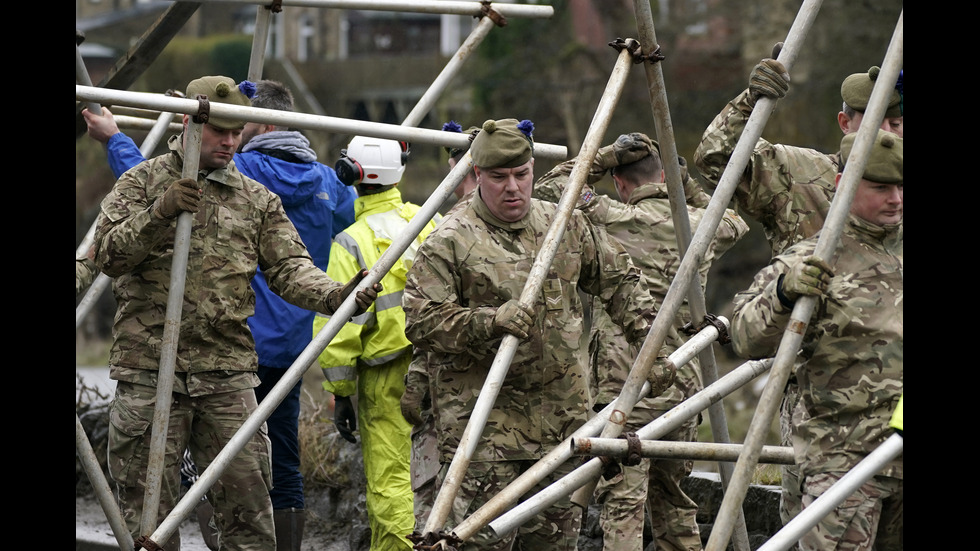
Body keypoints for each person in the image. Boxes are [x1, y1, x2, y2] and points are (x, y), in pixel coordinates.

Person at [92, 75, 379, 550]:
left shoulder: (255, 198)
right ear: (187, 123)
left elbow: (290, 268)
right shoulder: (141, 183)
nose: (229, 142)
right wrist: (158, 213)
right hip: (150, 371)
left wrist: (335, 296)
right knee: (146, 521)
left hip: (226, 374)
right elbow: (107, 255)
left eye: (235, 132)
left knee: (249, 512)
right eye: (218, 131)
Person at [402, 118, 674, 550]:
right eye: (499, 177)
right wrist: (486, 322)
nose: (512, 187)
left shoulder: (563, 222)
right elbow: (420, 319)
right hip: (484, 437)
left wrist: (652, 347)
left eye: (521, 175)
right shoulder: (450, 239)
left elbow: (619, 281)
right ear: (477, 176)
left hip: (560, 431)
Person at [692, 60, 903, 528]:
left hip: (896, 402)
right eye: (874, 121)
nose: (888, 131)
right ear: (845, 122)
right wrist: (751, 103)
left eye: (896, 121)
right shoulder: (800, 173)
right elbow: (716, 161)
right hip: (821, 381)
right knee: (812, 513)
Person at [533, 132, 749, 551]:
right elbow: (735, 222)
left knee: (623, 507)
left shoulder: (608, 217)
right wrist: (682, 184)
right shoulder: (699, 228)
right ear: (664, 177)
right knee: (674, 502)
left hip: (624, 391)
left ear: (619, 183)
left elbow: (550, 190)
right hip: (681, 388)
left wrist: (605, 156)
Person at [729, 128, 902, 551]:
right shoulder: (814, 258)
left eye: (902, 186)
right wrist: (784, 293)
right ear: (845, 184)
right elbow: (744, 335)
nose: (896, 199)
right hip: (845, 462)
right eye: (881, 187)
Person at [314, 135, 441, 550]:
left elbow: (338, 331)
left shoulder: (351, 242)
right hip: (440, 369)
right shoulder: (427, 222)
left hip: (385, 379)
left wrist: (341, 393)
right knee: (438, 473)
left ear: (349, 174)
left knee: (390, 480)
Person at [399, 120, 480, 530]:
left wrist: (416, 380)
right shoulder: (449, 224)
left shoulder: (449, 230)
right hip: (454, 388)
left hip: (454, 390)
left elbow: (429, 322)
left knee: (439, 508)